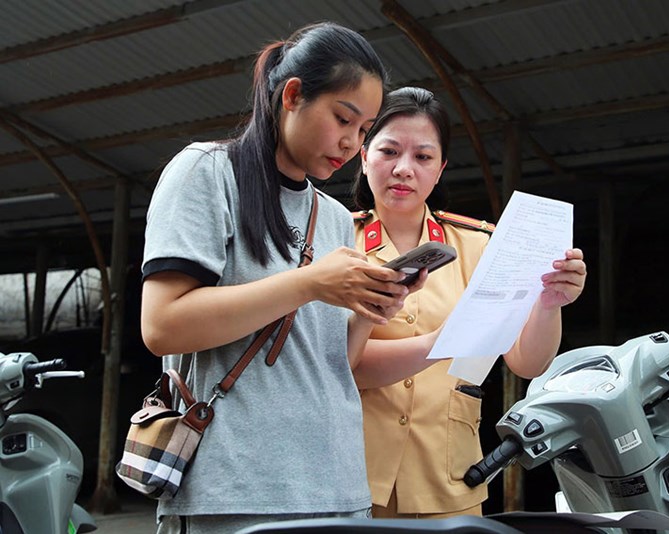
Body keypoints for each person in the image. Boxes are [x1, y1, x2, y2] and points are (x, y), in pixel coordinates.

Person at [140, 23, 419, 533]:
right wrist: (311, 282)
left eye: (364, 130)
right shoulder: (206, 172)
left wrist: (371, 308)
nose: (351, 143)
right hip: (236, 491)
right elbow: (162, 326)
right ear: (292, 95)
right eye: (343, 119)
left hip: (338, 486)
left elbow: (334, 362)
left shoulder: (334, 216)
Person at [351, 87, 587, 518]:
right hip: (350, 477)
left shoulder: (482, 248)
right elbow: (335, 359)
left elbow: (526, 363)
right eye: (389, 151)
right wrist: (444, 340)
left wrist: (549, 304)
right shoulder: (332, 244)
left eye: (422, 157)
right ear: (363, 155)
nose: (404, 169)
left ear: (440, 170)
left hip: (449, 478)